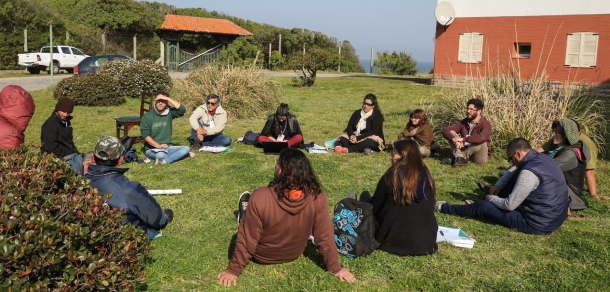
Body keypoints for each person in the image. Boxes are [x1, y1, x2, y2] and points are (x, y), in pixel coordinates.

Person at [218, 148, 356, 287]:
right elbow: (324, 236)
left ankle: (244, 213)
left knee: (253, 206)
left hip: (262, 256)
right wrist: (335, 268)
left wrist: (233, 270)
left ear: (281, 170)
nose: (275, 165)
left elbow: (248, 238)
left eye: (277, 163)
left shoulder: (261, 196)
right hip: (294, 253)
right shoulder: (317, 197)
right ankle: (245, 213)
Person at [436, 138, 569, 235]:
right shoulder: (541, 158)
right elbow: (514, 169)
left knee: (482, 206)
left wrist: (490, 199)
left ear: (518, 153)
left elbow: (509, 205)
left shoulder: (528, 173)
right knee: (510, 181)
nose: (511, 162)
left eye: (510, 159)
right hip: (556, 217)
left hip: (537, 223)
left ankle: (444, 207)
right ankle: (487, 202)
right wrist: (498, 185)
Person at [86, 136, 174, 240]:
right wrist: (163, 218)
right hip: (121, 237)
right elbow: (154, 217)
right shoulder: (127, 188)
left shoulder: (79, 181)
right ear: (120, 160)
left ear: (92, 157)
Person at [369, 140, 438, 256]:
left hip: (394, 241)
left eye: (394, 153)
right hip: (426, 243)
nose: (391, 157)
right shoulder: (427, 176)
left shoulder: (392, 176)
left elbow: (373, 207)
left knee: (366, 198)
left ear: (403, 155)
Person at [537, 120, 607, 200]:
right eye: (553, 131)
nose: (553, 135)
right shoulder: (558, 138)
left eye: (556, 132)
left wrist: (594, 194)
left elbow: (589, 170)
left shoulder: (586, 145)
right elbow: (542, 148)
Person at [141, 90, 193, 164]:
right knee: (161, 155)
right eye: (159, 100)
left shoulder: (169, 113)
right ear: (155, 101)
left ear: (167, 103)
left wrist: (168, 98)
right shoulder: (147, 117)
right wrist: (158, 146)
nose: (160, 103)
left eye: (163, 101)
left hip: (167, 147)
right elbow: (145, 136)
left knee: (186, 148)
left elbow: (182, 110)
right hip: (152, 148)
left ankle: (166, 161)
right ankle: (181, 156)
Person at [441, 98, 491, 166]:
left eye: (471, 109)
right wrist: (454, 139)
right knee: (451, 133)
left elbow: (482, 137)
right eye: (467, 108)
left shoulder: (486, 124)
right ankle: (460, 158)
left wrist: (462, 139)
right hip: (465, 148)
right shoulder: (464, 122)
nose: (468, 111)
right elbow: (445, 130)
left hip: (478, 155)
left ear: (479, 111)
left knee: (482, 142)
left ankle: (457, 158)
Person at [41, 97, 83, 174]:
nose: (66, 114)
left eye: (68, 112)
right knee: (77, 171)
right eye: (63, 111)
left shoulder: (66, 122)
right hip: (57, 157)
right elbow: (51, 147)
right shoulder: (50, 125)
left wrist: (77, 154)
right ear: (57, 109)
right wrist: (67, 158)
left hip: (69, 154)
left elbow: (69, 142)